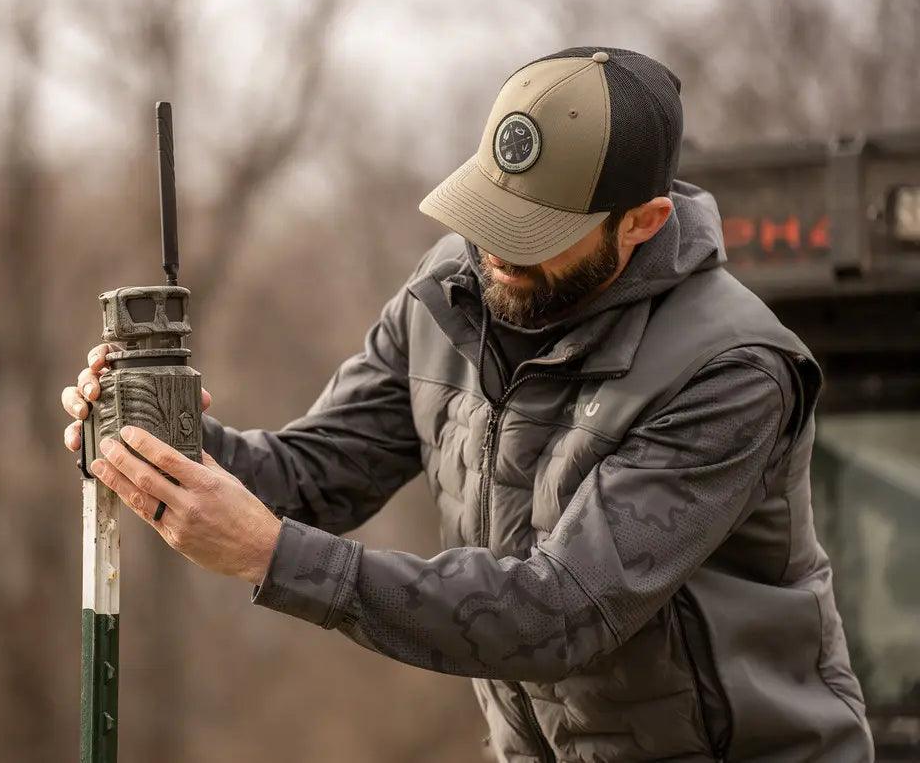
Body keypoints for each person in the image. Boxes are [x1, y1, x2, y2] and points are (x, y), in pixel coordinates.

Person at [62, 47, 873, 761]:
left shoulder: (731, 372)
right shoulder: (451, 291)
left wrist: (273, 554)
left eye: (535, 232)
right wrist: (161, 443)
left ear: (643, 223)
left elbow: (556, 614)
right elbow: (313, 476)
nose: (496, 253)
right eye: (489, 214)